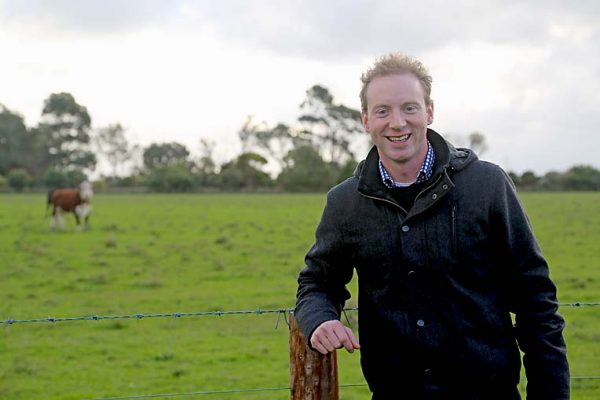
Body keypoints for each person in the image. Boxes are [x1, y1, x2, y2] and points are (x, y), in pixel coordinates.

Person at [294, 53, 569, 399]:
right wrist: (319, 319)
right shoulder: (346, 203)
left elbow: (536, 301)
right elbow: (317, 283)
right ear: (366, 120)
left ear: (429, 112)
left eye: (409, 108)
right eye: (383, 111)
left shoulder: (487, 186)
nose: (397, 123)